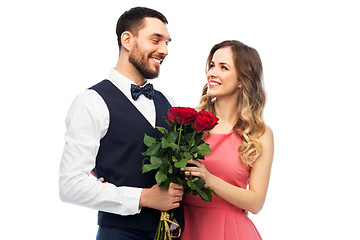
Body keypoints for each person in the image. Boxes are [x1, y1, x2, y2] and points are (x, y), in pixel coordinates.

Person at [59, 7, 184, 240]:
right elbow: (70, 185)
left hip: (172, 233)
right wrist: (143, 198)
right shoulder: (91, 101)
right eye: (156, 40)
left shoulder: (169, 102)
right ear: (127, 40)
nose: (164, 50)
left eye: (167, 43)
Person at [181, 40, 274, 240]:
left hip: (231, 232)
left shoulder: (259, 133)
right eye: (212, 65)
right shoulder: (188, 124)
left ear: (242, 79)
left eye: (223, 67)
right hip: (183, 227)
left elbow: (256, 202)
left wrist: (210, 179)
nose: (212, 73)